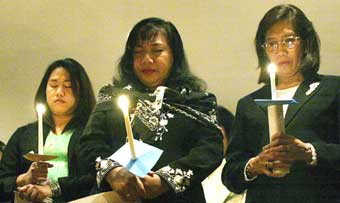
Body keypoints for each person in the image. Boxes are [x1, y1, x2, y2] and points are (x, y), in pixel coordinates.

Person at [79, 17, 223, 203]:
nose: (147, 59)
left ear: (174, 55)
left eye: (157, 51)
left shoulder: (198, 101)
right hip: (116, 197)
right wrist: (113, 173)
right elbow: (89, 144)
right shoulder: (112, 96)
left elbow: (210, 149)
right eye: (138, 52)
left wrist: (165, 179)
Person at [222, 4, 340, 203]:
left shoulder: (333, 89)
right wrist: (253, 166)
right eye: (272, 43)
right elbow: (230, 173)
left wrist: (309, 152)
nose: (281, 50)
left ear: (306, 43)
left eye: (289, 40)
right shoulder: (249, 104)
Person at [0, 58, 96, 203]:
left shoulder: (92, 134)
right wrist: (24, 179)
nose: (59, 92)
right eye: (53, 85)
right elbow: (3, 180)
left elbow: (97, 177)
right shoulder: (24, 135)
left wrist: (55, 188)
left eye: (68, 86)